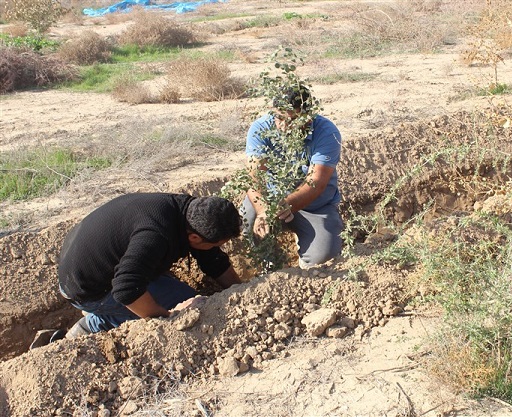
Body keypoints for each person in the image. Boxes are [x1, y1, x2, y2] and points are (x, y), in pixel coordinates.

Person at [55, 192, 242, 339]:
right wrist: (168, 317)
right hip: (88, 290)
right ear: (194, 237)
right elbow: (126, 289)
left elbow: (211, 257)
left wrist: (240, 291)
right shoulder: (156, 235)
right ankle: (95, 324)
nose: (217, 249)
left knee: (173, 290)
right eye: (217, 244)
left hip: (97, 263)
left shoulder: (187, 212)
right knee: (195, 307)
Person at [242, 84, 343, 268]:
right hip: (271, 201)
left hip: (315, 206)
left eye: (292, 119)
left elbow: (316, 183)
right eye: (279, 117)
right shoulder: (260, 129)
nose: (283, 126)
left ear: (308, 116)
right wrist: (264, 211)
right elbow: (253, 178)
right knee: (248, 218)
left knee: (323, 258)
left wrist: (288, 204)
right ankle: (272, 268)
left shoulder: (327, 133)